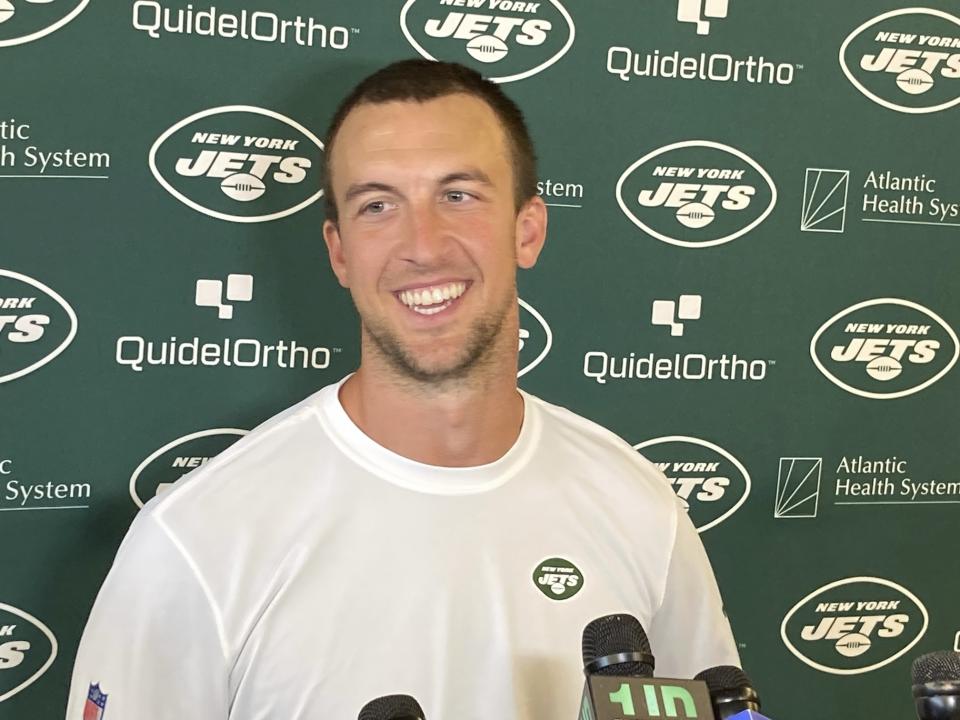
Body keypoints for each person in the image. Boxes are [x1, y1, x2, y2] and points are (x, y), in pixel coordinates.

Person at [65, 59, 739, 720]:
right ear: (339, 252)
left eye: (458, 195)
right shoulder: (196, 543)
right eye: (378, 205)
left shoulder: (640, 507)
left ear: (526, 229)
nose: (422, 244)